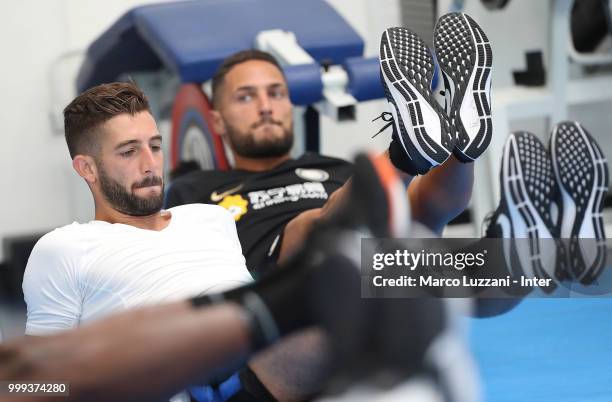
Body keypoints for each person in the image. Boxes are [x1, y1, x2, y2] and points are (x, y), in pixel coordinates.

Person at [165, 14, 490, 274]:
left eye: (276, 93)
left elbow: (423, 212)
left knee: (417, 217)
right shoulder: (194, 190)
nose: (265, 106)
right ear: (217, 120)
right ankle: (408, 154)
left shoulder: (332, 167)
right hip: (286, 283)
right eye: (246, 96)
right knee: (319, 227)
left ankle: (462, 148)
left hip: (376, 267)